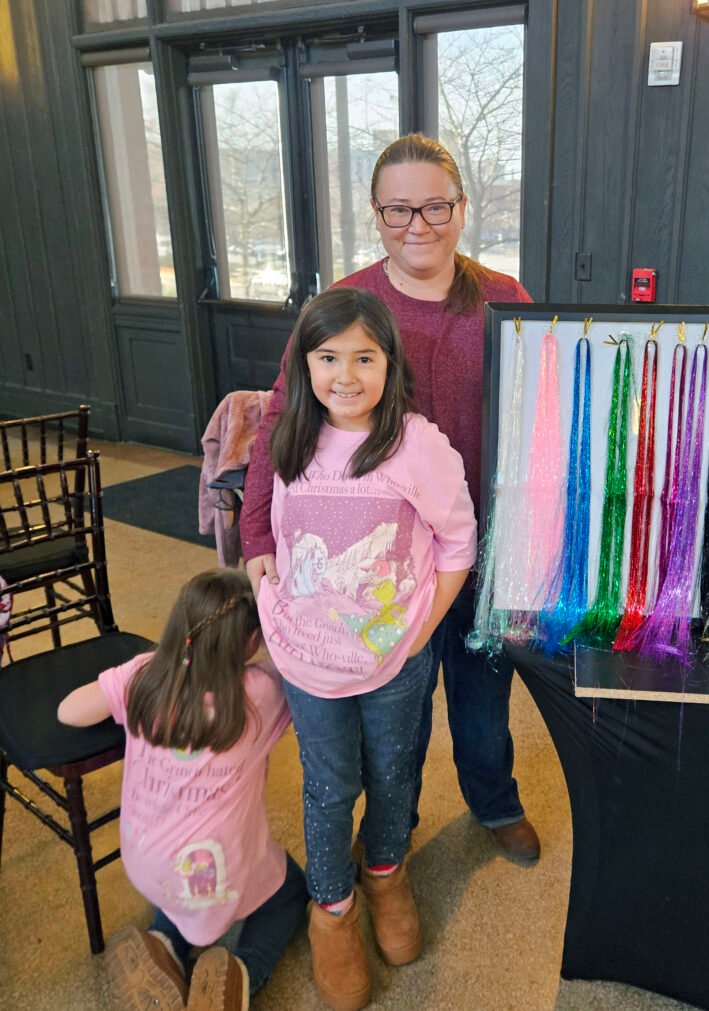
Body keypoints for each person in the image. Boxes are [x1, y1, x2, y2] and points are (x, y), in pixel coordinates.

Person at [240, 133, 540, 862]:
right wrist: (257, 539)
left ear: (462, 208)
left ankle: (493, 800)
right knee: (395, 714)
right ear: (377, 214)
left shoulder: (506, 300)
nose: (418, 225)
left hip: (480, 549)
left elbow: (543, 430)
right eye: (398, 209)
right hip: (379, 560)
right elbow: (281, 418)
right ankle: (390, 843)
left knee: (482, 700)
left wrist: (538, 553)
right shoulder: (347, 302)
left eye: (435, 205)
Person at [256, 286, 476, 1011]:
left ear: (390, 361)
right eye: (327, 357)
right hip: (307, 656)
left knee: (392, 771)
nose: (344, 375)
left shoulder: (417, 444)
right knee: (327, 786)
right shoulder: (290, 433)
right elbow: (274, 527)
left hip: (393, 658)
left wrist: (421, 630)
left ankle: (385, 871)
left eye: (363, 357)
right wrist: (263, 573)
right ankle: (333, 909)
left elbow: (457, 542)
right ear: (304, 364)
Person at [57, 568, 307, 1011]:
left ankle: (163, 945)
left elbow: (68, 712)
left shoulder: (143, 677)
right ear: (250, 643)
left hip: (143, 859)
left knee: (179, 894)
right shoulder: (258, 694)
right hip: (215, 873)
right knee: (289, 893)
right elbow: (301, 665)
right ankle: (241, 974)